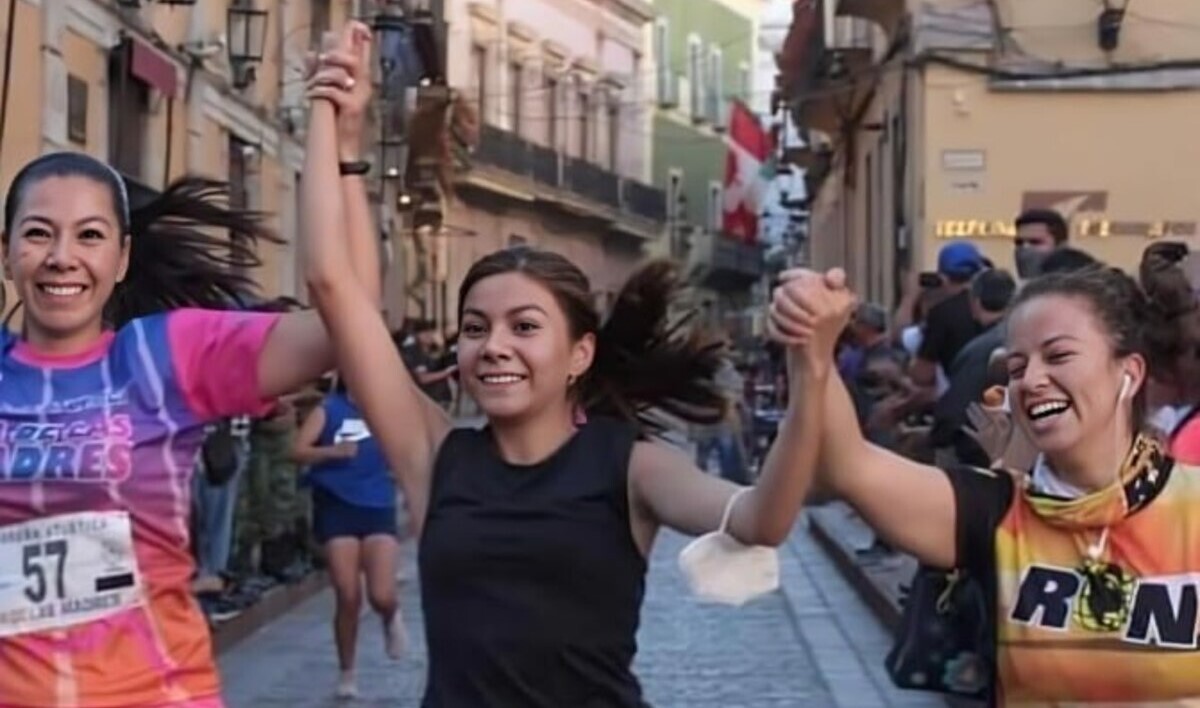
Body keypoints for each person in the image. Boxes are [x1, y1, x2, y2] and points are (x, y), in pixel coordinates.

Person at [301, 24, 833, 706]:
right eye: (474, 328)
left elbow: (762, 520)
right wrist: (338, 133)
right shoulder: (436, 455)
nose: (493, 345)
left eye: (525, 327)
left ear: (579, 353)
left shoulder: (632, 467)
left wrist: (811, 367)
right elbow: (333, 286)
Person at [0, 24, 380, 707]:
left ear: (120, 260)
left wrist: (345, 153)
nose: (62, 257)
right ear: (7, 254)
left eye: (89, 236)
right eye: (37, 234)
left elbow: (345, 322)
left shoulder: (163, 354)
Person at [784, 263, 1200, 705]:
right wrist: (813, 345)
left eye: (1058, 356)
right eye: (1017, 367)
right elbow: (847, 466)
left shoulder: (1190, 506)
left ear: (1129, 373)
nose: (1033, 381)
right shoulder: (990, 510)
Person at [292, 375, 404, 699]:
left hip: (378, 504)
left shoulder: (386, 411)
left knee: (381, 593)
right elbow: (298, 450)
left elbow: (408, 448)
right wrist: (332, 452)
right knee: (348, 594)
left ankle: (390, 615)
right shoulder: (328, 409)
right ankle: (347, 670)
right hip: (337, 506)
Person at [1013, 208, 1069, 280]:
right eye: (1019, 243)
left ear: (1061, 246)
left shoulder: (1080, 288)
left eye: (1035, 242)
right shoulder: (1010, 289)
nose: (1025, 248)